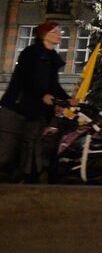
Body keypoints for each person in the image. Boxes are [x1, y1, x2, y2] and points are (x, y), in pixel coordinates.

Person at [0, 22, 69, 182]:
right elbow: (26, 79)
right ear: (44, 34)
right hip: (17, 109)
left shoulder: (52, 58)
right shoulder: (31, 53)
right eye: (55, 31)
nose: (60, 34)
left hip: (36, 112)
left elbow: (53, 85)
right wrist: (42, 95)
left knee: (31, 147)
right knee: (7, 148)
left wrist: (66, 99)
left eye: (60, 31)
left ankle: (27, 181)